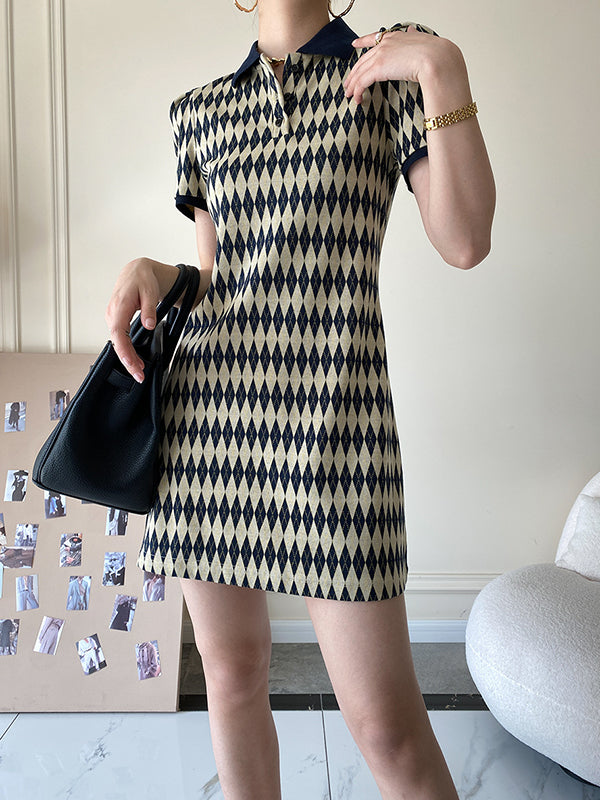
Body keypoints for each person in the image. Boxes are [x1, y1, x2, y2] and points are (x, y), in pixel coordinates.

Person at [105, 1, 495, 797]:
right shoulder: (200, 111)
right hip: (210, 428)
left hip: (338, 424)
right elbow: (222, 279)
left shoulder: (389, 71)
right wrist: (160, 272)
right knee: (233, 675)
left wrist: (443, 67)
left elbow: (465, 241)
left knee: (385, 726)